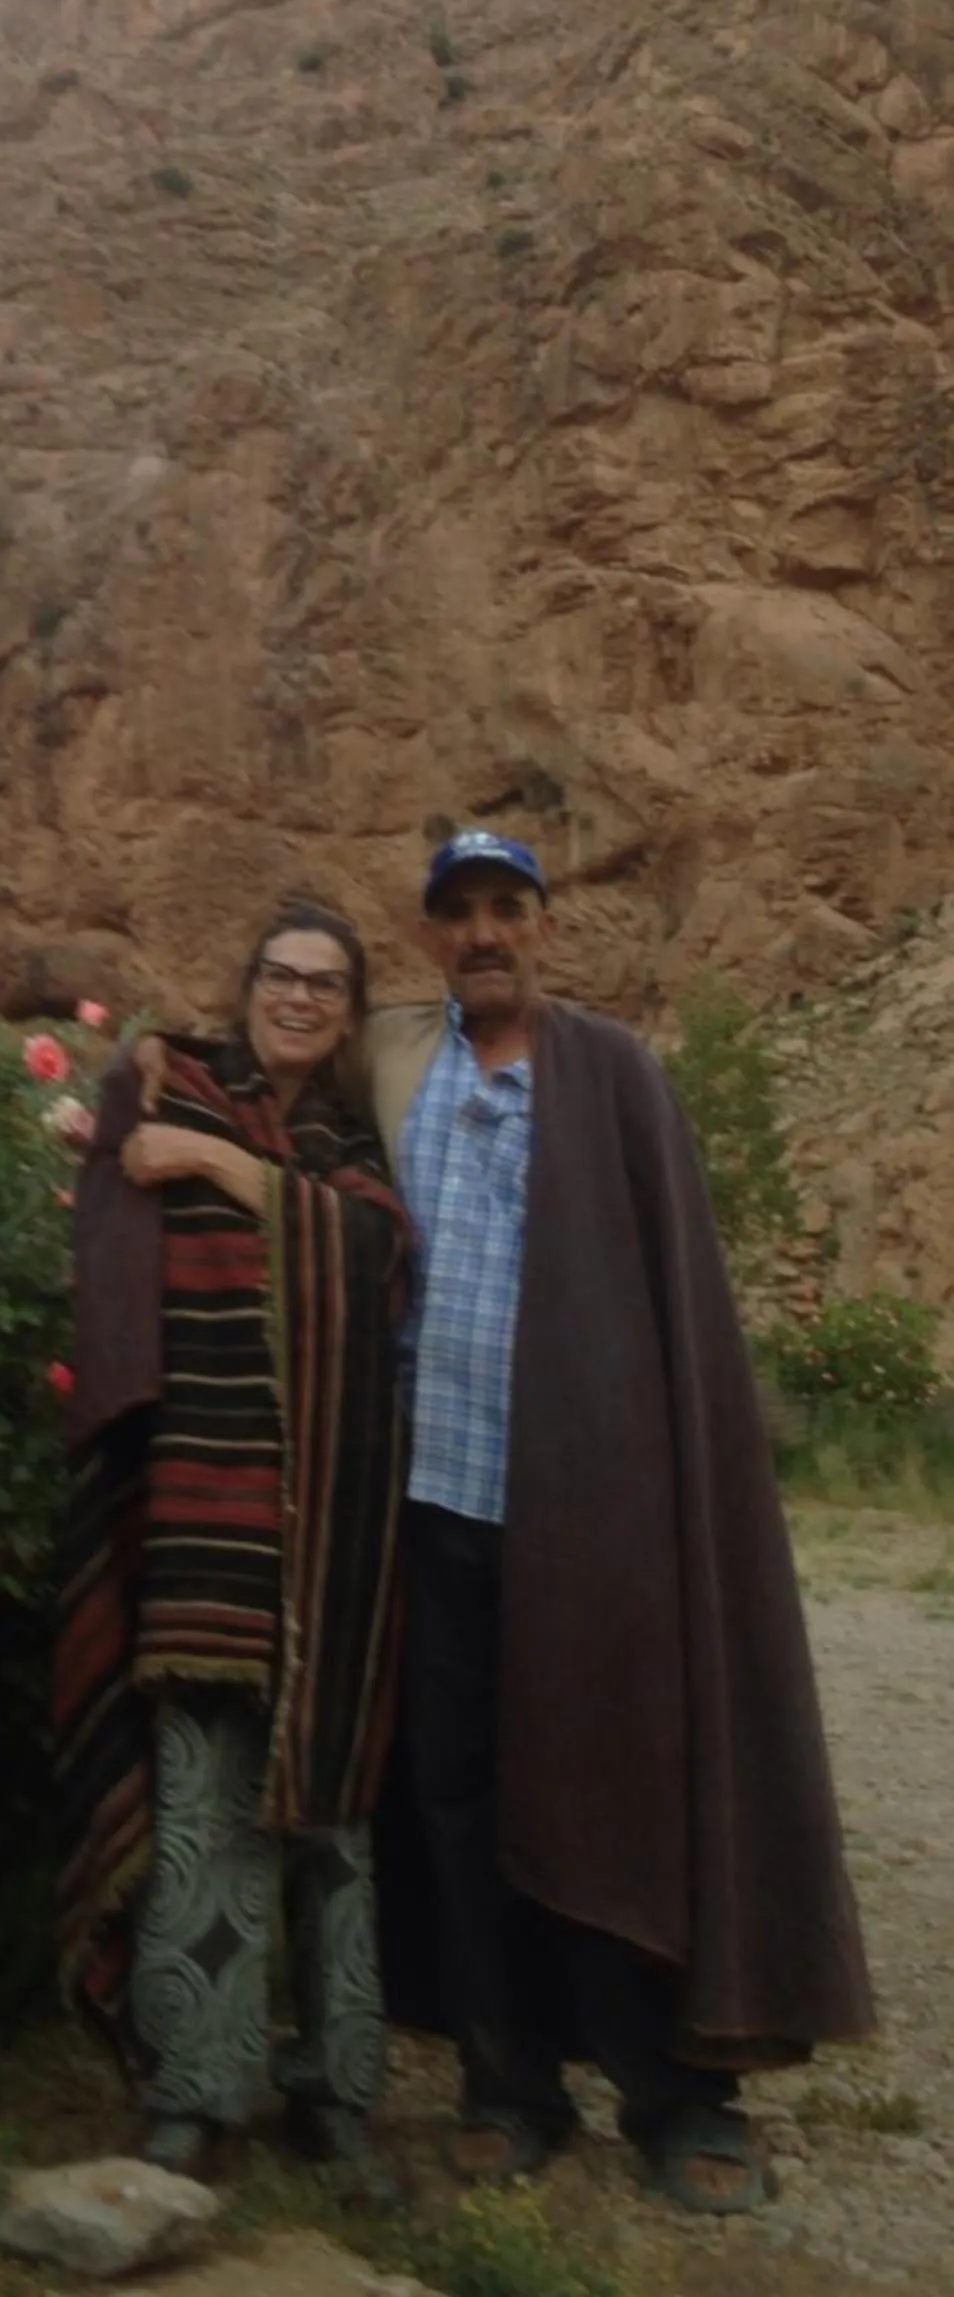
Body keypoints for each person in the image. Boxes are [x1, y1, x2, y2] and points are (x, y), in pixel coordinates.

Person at [369, 830, 874, 2212]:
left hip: (585, 1517)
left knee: (620, 1781)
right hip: (432, 1506)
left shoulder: (613, 1079)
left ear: (543, 929)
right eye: (458, 914)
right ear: (429, 939)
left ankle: (672, 2096)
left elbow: (677, 1314)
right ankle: (506, 2080)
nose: (483, 935)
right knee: (456, 1795)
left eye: (506, 911)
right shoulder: (395, 1069)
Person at [55, 899, 410, 2190]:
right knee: (200, 1800)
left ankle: (336, 2089)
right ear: (246, 982)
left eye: (327, 985)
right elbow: (111, 1197)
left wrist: (207, 1170)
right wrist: (147, 1081)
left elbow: (369, 1250)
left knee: (330, 1815)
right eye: (281, 975)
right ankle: (195, 2092)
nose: (300, 999)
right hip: (198, 1515)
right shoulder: (175, 1081)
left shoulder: (352, 1147)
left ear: (351, 1012)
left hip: (332, 1540)